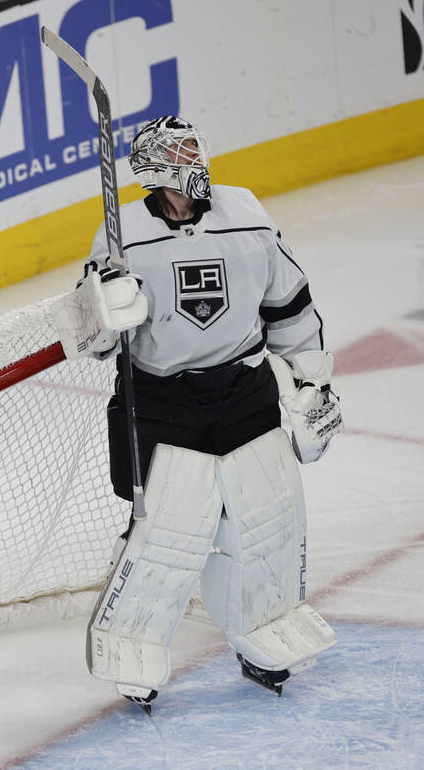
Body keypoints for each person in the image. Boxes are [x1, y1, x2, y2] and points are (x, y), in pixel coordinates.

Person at [74, 115, 342, 711]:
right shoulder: (122, 239)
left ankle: (263, 632)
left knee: (267, 521)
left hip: (244, 389)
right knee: (165, 532)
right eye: (183, 154)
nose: (197, 164)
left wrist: (311, 380)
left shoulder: (245, 213)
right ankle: (133, 644)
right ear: (156, 170)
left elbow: (289, 302)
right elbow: (90, 340)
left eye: (198, 150)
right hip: (162, 399)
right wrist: (105, 307)